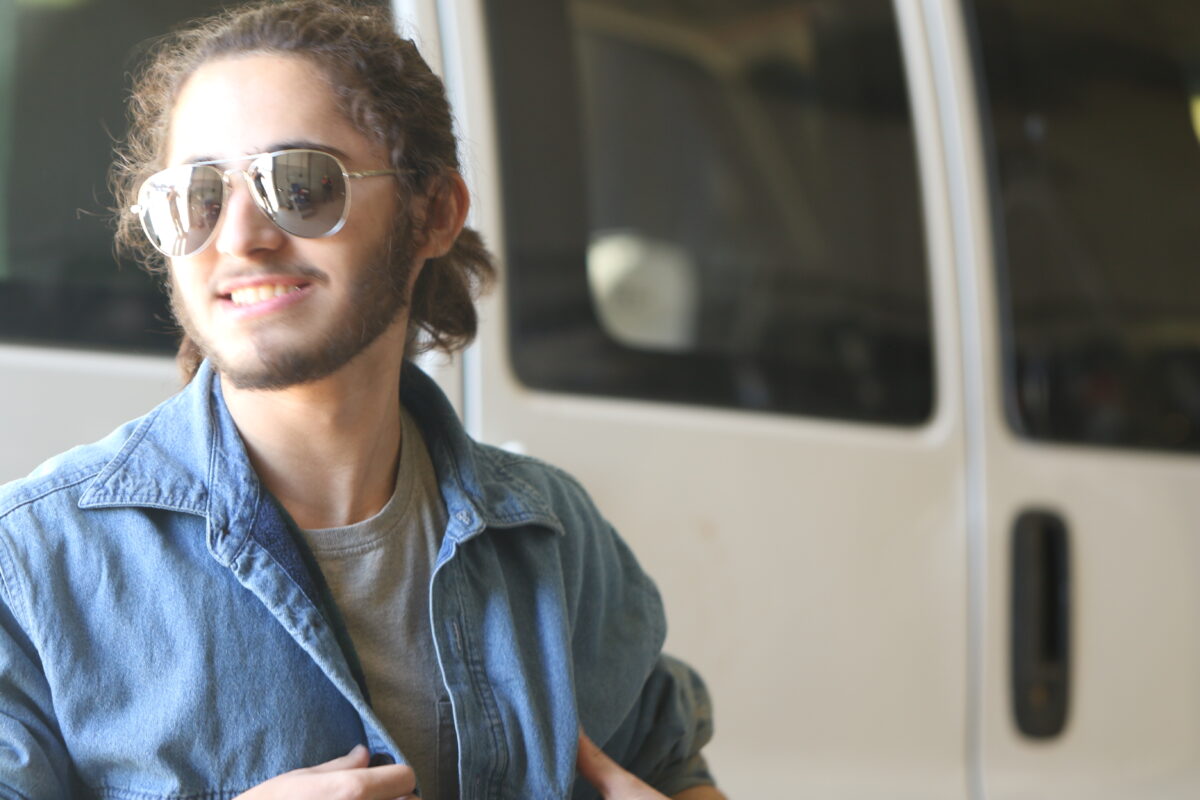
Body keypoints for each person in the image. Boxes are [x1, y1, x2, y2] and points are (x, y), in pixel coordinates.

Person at [0, 2, 724, 799]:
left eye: (301, 184)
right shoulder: (35, 568)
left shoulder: (553, 537)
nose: (240, 237)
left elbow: (670, 767)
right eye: (197, 197)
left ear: (435, 213)